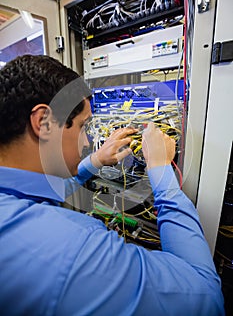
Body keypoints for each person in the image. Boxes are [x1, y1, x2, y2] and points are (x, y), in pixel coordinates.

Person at [0, 55, 224, 316]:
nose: (86, 142)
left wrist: (94, 161)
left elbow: (38, 194)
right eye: (83, 127)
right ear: (44, 122)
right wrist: (161, 170)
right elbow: (206, 297)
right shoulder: (77, 251)